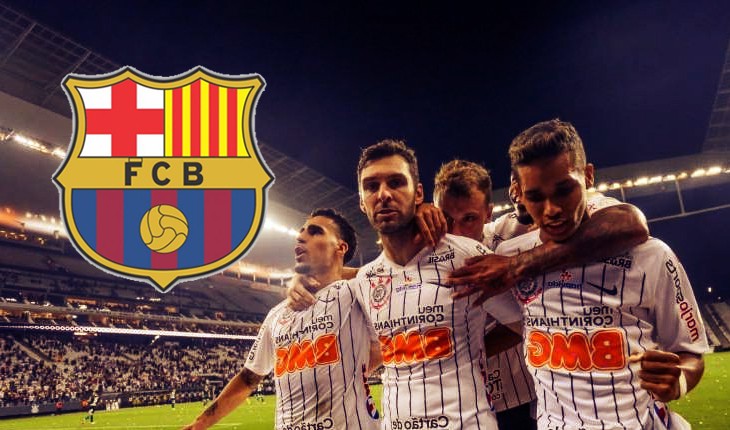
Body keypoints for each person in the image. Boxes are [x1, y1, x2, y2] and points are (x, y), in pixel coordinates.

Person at [497, 119, 708, 429]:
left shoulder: (651, 256)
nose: (551, 209)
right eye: (536, 197)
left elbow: (691, 355)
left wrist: (679, 380)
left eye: (564, 190)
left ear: (588, 176)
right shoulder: (508, 259)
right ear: (519, 195)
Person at [431, 159, 649, 430]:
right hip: (462, 401)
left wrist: (515, 264)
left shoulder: (508, 233)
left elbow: (628, 223)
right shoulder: (425, 251)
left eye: (469, 219)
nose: (455, 232)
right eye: (446, 219)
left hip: (523, 392)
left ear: (488, 213)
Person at [353, 139, 522, 429]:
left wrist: (473, 348)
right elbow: (380, 350)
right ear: (361, 201)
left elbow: (525, 323)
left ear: (418, 194)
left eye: (396, 182)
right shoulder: (363, 280)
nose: (383, 194)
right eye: (371, 186)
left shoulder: (468, 254)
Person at [183, 208, 381, 430]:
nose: (301, 237)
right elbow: (249, 378)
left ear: (341, 247)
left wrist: (330, 272)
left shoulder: (356, 292)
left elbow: (393, 271)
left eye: (315, 231)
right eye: (301, 231)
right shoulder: (277, 314)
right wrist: (201, 423)